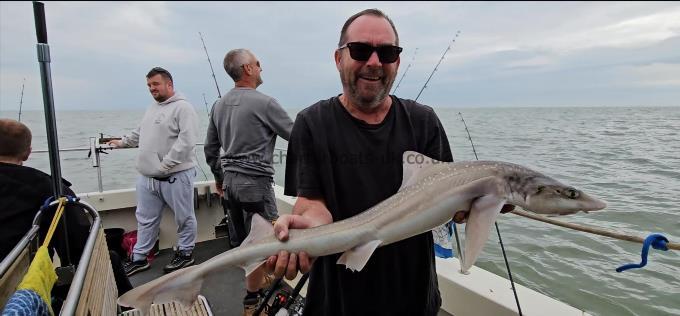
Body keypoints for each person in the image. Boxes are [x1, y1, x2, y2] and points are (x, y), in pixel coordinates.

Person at [265, 9, 453, 316]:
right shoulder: (312, 124)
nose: (375, 62)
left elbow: (448, 203)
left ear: (397, 62)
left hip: (415, 300)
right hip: (337, 302)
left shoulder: (424, 122)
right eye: (361, 50)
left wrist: (481, 203)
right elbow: (311, 203)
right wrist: (306, 227)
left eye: (388, 53)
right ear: (339, 58)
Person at [0, 119, 133, 299]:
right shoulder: (50, 190)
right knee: (110, 258)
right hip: (22, 293)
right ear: (27, 153)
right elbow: (81, 246)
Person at [204, 48, 294, 315]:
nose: (260, 66)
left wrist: (219, 179)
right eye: (257, 63)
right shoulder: (265, 103)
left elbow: (210, 149)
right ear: (248, 69)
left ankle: (255, 289)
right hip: (256, 185)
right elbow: (297, 135)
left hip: (230, 186)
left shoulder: (218, 105)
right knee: (267, 243)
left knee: (247, 244)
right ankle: (254, 302)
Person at [108, 67, 199, 276]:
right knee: (145, 219)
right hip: (148, 178)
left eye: (155, 84)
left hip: (176, 176)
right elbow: (140, 133)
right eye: (149, 85)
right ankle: (139, 258)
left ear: (169, 84)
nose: (152, 89)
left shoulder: (183, 108)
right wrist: (121, 143)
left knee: (184, 217)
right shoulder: (152, 108)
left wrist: (165, 165)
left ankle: (186, 253)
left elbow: (187, 142)